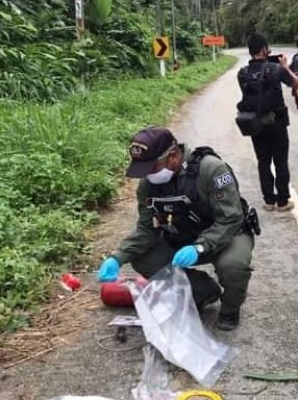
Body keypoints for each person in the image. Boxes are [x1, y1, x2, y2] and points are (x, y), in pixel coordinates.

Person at [98, 126, 255, 331]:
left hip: (225, 235)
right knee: (143, 258)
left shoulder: (211, 169)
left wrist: (200, 247)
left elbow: (230, 218)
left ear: (172, 156)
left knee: (233, 266)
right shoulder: (148, 186)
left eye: (151, 167)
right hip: (183, 237)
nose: (147, 174)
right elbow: (146, 230)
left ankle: (230, 308)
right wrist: (117, 257)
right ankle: (203, 290)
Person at [237, 33, 298, 212]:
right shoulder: (275, 69)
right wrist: (285, 67)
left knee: (263, 161)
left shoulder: (242, 73)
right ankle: (282, 201)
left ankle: (269, 201)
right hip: (277, 123)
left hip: (255, 124)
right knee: (280, 161)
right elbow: (296, 84)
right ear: (265, 49)